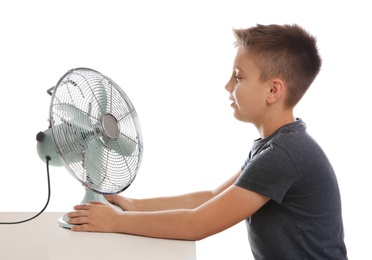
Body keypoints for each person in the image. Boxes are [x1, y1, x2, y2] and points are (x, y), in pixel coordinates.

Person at [68, 24, 347, 259]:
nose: (228, 86)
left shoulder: (284, 154)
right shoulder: (275, 145)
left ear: (273, 90)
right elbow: (211, 199)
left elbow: (197, 224)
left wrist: (116, 222)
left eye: (238, 77)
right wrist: (135, 204)